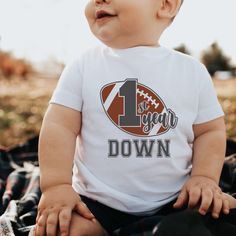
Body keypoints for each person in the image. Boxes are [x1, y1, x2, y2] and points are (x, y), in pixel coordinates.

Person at [34, 0, 234, 235]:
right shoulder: (83, 66)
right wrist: (56, 185)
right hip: (97, 203)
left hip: (176, 200)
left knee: (218, 214)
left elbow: (210, 131)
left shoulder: (192, 72)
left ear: (166, 5)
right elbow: (59, 126)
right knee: (59, 229)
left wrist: (204, 177)